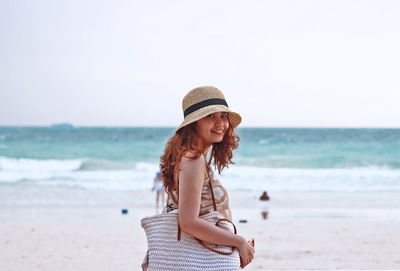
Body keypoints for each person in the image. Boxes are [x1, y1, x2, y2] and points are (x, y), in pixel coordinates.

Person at [145, 86, 255, 269]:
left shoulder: (188, 157)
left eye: (223, 116)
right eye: (210, 116)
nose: (220, 123)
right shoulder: (193, 159)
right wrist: (238, 242)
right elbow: (188, 222)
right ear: (194, 123)